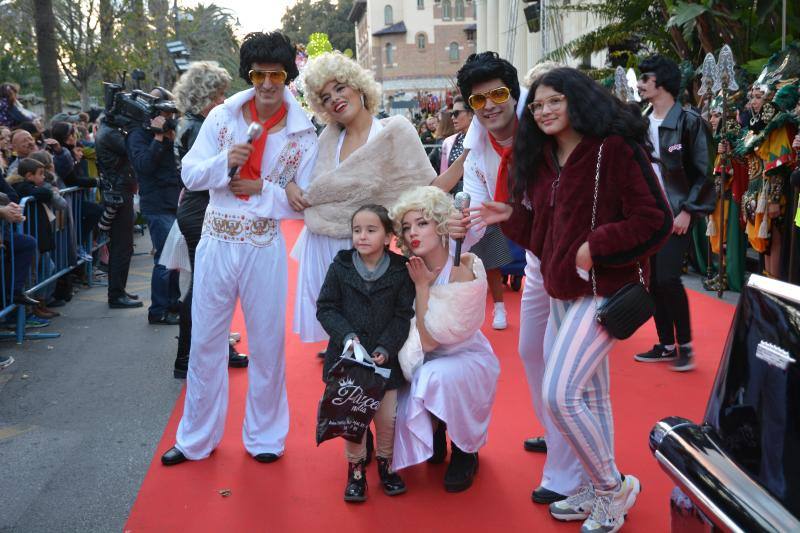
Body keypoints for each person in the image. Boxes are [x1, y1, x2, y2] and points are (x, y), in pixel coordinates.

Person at [472, 67, 673, 532]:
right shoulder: (543, 159)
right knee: (591, 395)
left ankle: (611, 486)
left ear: (577, 101)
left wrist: (594, 245)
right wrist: (511, 218)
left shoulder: (614, 149)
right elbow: (546, 239)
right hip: (563, 286)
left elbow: (655, 220)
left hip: (605, 290)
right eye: (538, 105)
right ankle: (596, 485)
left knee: (560, 393)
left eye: (554, 101)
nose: (544, 111)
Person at [160, 31, 318, 466]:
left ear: (288, 75)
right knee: (206, 341)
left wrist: (261, 188)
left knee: (267, 343)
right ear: (248, 73)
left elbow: (304, 202)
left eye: (276, 74)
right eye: (258, 74)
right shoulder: (221, 119)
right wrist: (223, 161)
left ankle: (266, 435)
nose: (267, 83)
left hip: (263, 244)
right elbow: (191, 175)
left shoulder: (303, 134)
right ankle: (195, 438)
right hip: (216, 240)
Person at [292, 51, 434, 345]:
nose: (335, 98)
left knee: (375, 334)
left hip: (370, 249)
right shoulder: (326, 139)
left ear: (357, 85)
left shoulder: (394, 131)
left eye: (339, 87)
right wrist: (289, 187)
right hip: (321, 243)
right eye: (325, 96)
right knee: (339, 336)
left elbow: (424, 189)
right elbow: (305, 185)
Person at [390, 185, 500, 493]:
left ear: (441, 226)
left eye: (422, 223)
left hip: (465, 359)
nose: (413, 232)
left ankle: (466, 452)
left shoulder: (460, 270)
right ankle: (435, 433)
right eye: (407, 226)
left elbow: (428, 342)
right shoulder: (410, 268)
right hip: (422, 360)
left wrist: (423, 288)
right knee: (398, 384)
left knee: (431, 376)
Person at [316, 204, 414, 502]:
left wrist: (386, 346)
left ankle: (385, 462)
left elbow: (402, 314)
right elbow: (326, 307)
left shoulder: (400, 271)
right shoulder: (341, 266)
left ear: (388, 237)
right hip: (347, 360)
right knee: (353, 417)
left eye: (371, 230)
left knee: (386, 418)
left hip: (385, 362)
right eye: (357, 230)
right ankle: (356, 468)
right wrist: (346, 336)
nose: (362, 236)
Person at [634, 55, 713, 372]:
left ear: (661, 82)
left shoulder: (690, 122)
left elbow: (705, 173)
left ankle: (686, 346)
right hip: (647, 215)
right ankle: (666, 344)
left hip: (677, 215)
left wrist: (689, 212)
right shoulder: (640, 121)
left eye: (644, 78)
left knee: (668, 278)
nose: (639, 84)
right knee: (651, 282)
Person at [170, 60, 247, 379]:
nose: (222, 102)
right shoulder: (198, 127)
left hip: (199, 208)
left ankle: (200, 352)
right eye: (217, 96)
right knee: (205, 287)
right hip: (200, 210)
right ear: (203, 96)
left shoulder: (192, 123)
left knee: (210, 285)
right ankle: (188, 356)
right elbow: (210, 174)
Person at [455, 51, 519, 330]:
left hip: (568, 251)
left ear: (515, 95)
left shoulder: (545, 134)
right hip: (539, 260)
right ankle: (500, 308)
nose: (489, 105)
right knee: (532, 351)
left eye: (499, 94)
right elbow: (474, 221)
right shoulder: (476, 156)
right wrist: (451, 231)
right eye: (479, 100)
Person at [127, 88, 183, 325]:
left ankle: (173, 303)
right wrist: (158, 139)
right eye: (162, 112)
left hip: (175, 201)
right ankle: (158, 310)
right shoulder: (138, 135)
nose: (166, 117)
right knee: (164, 259)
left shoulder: (173, 132)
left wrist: (172, 140)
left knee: (175, 258)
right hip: (156, 203)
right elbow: (144, 166)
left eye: (169, 112)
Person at [95, 113, 141, 309]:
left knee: (123, 247)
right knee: (122, 247)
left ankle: (118, 290)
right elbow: (132, 150)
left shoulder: (108, 131)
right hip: (118, 193)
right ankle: (116, 294)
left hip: (121, 191)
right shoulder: (109, 134)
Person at [436, 96, 473, 193]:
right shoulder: (448, 142)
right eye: (452, 114)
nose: (452, 117)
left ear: (471, 114)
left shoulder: (486, 140)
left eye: (456, 113)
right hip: (453, 201)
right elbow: (444, 173)